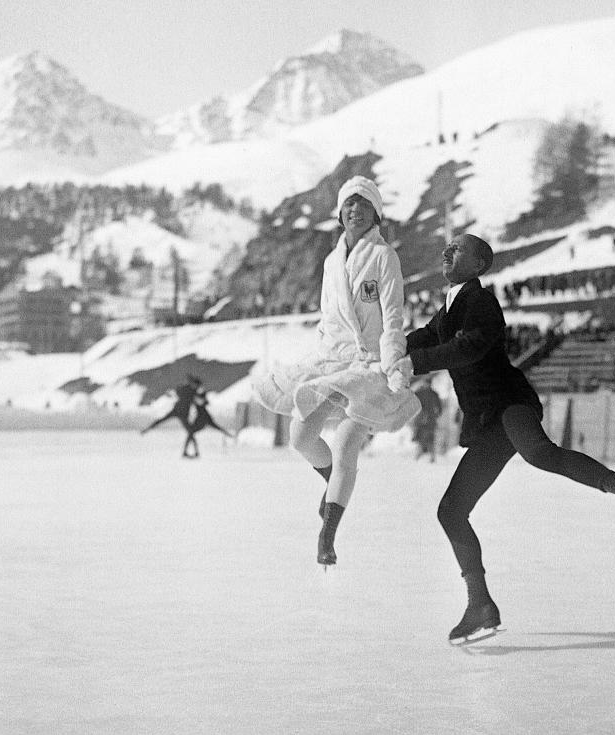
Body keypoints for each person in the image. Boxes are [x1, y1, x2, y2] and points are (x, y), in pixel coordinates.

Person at [406, 234, 615, 644]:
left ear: (479, 264)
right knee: (451, 511)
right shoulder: (449, 307)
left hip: (510, 404)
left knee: (539, 453)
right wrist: (386, 351)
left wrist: (415, 361)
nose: (446, 252)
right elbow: (424, 338)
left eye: (457, 249)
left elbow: (467, 349)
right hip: (487, 422)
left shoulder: (482, 302)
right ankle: (480, 603)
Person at [253, 175, 420, 565]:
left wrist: (394, 364)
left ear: (376, 213)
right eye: (349, 205)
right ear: (339, 213)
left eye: (363, 205)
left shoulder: (384, 257)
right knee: (300, 434)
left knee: (346, 445)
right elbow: (329, 320)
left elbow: (393, 317)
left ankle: (327, 536)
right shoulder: (332, 262)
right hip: (332, 360)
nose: (355, 211)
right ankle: (333, 492)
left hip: (369, 363)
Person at [140, 373, 201, 450]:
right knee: (162, 420)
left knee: (190, 431)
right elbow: (179, 391)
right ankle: (147, 429)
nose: (197, 387)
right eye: (196, 385)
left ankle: (191, 451)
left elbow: (193, 399)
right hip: (177, 411)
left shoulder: (192, 391)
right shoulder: (187, 389)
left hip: (183, 414)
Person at [182, 384, 233, 458]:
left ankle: (192, 452)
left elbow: (204, 401)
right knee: (191, 433)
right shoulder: (197, 398)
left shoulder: (199, 398)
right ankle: (193, 452)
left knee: (191, 433)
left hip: (202, 419)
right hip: (202, 419)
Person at [411, 377, 443, 461]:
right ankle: (432, 457)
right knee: (430, 438)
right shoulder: (434, 394)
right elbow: (439, 408)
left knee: (421, 437)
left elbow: (412, 405)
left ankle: (418, 457)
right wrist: (437, 415)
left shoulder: (419, 393)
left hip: (421, 419)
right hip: (431, 420)